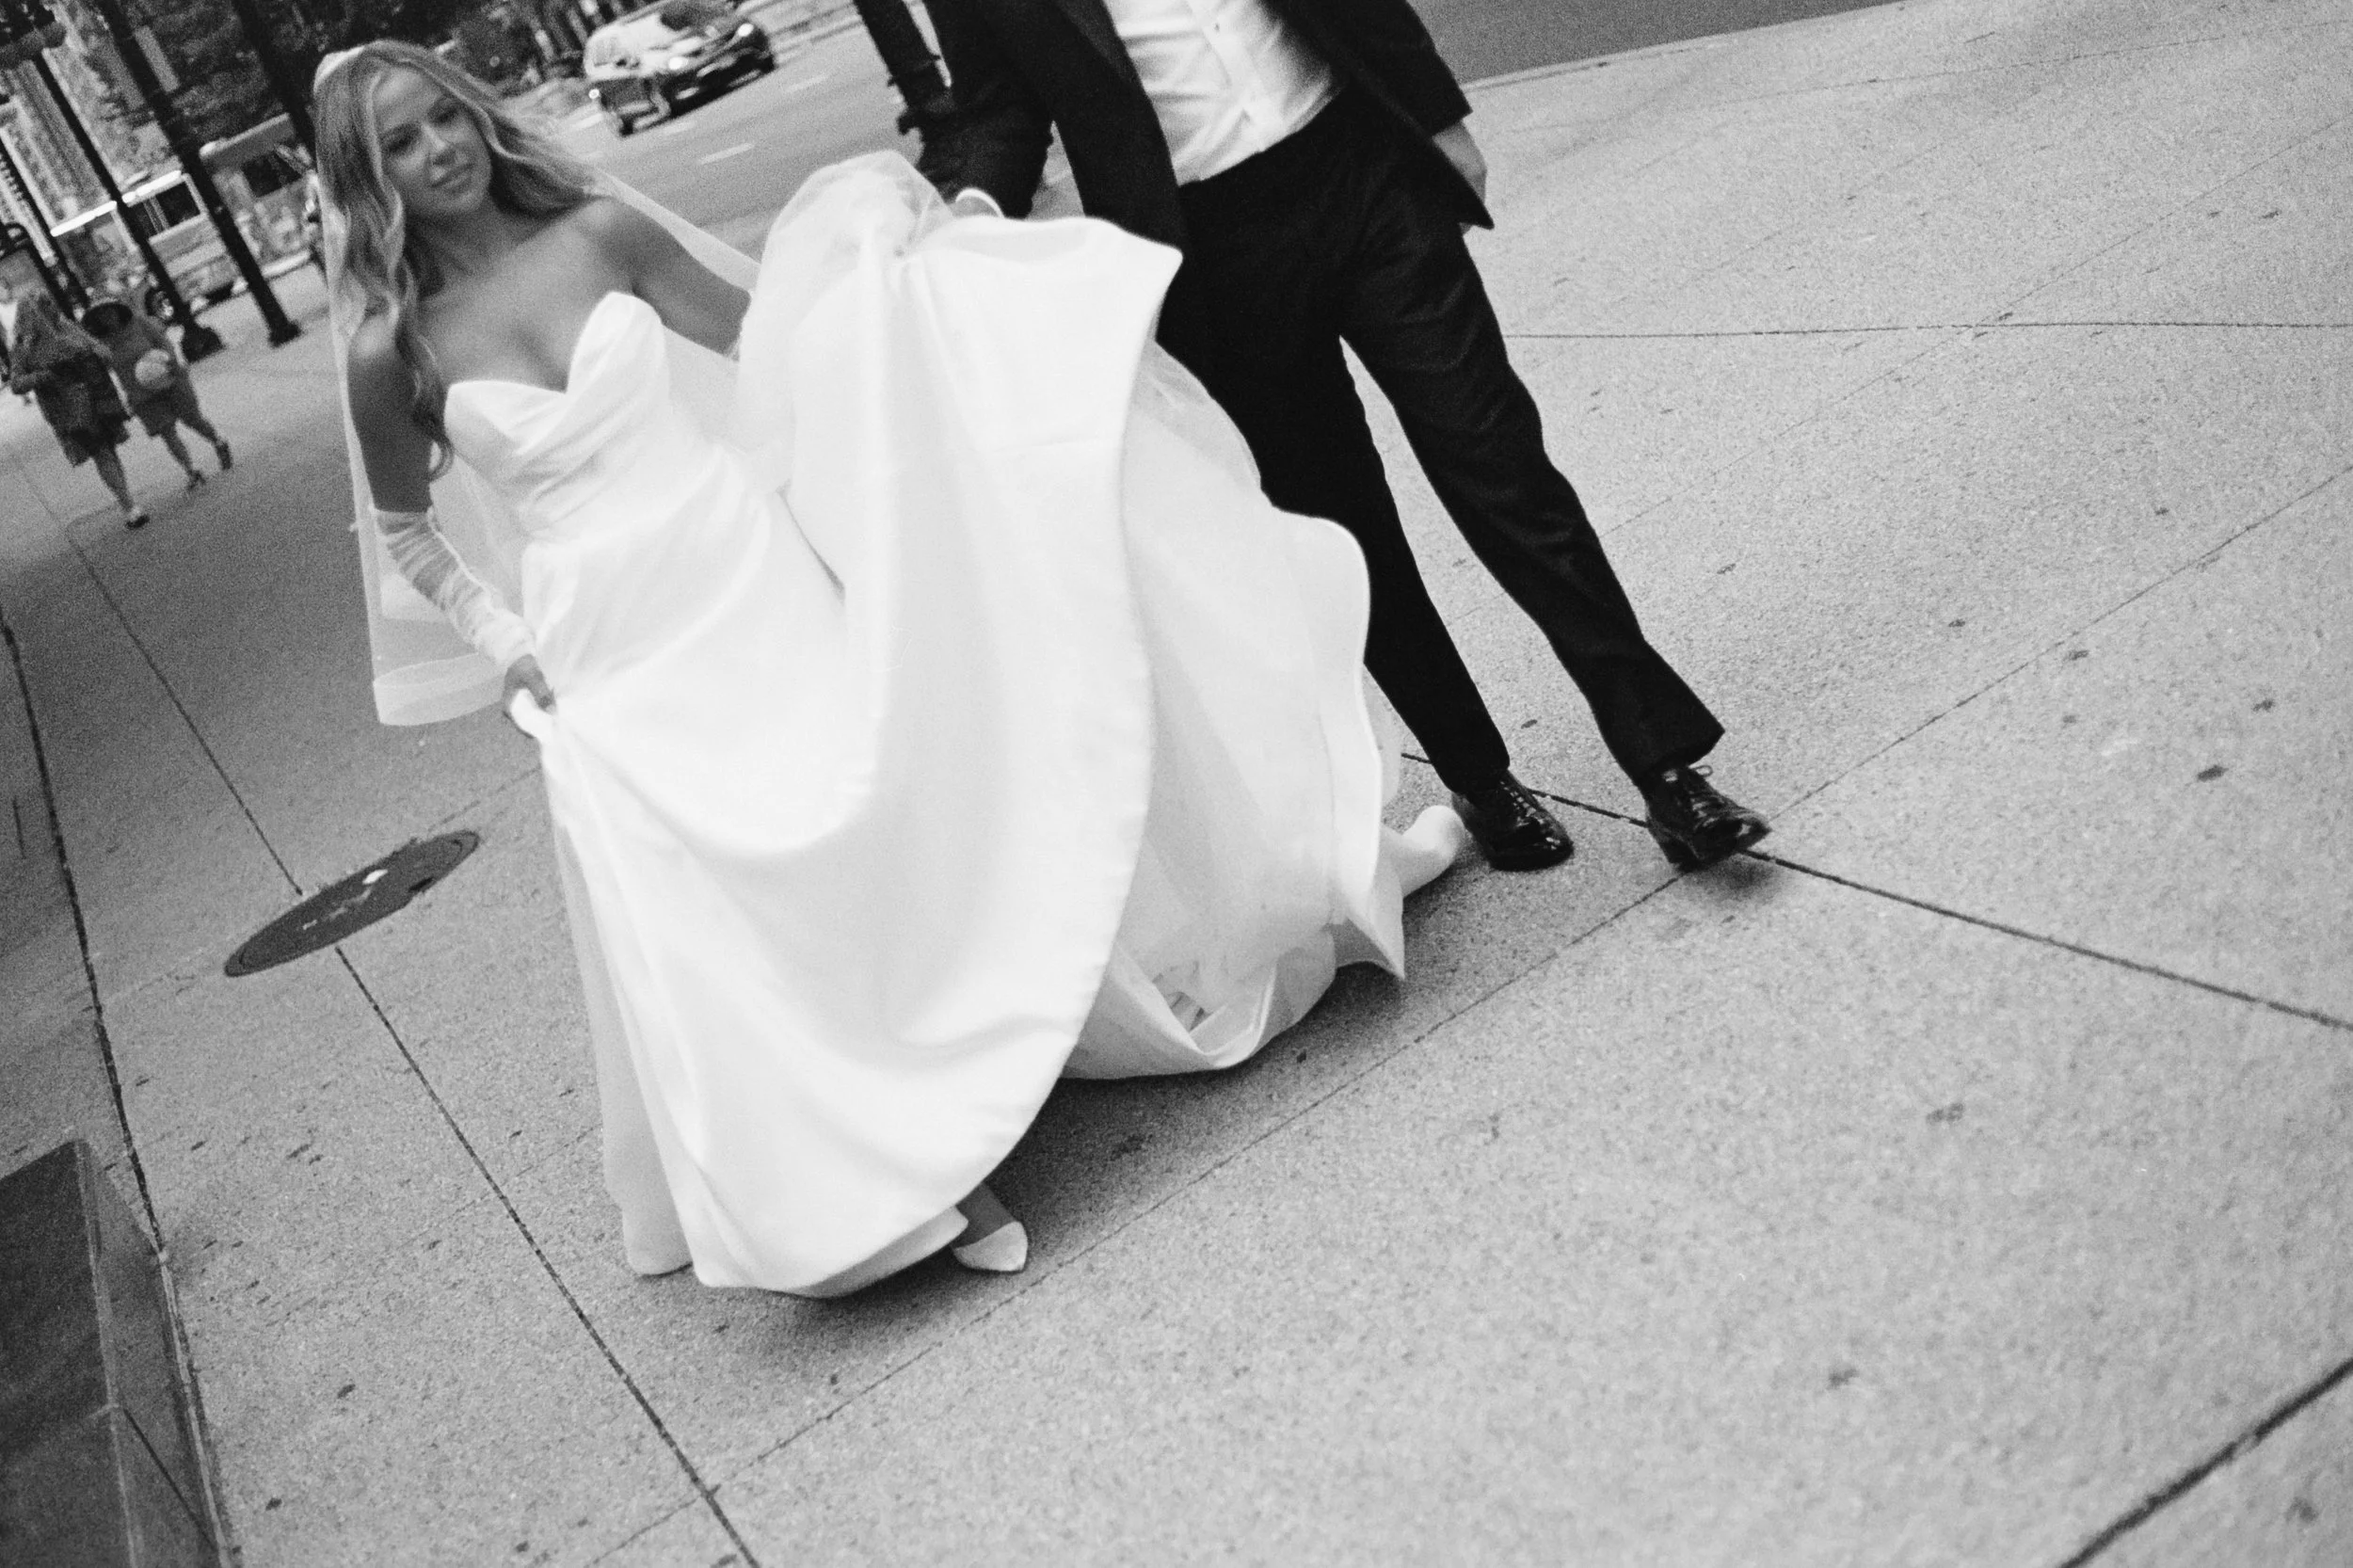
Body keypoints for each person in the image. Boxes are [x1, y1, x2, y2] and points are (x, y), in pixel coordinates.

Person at [315, 42, 1466, 1298]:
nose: (444, 148)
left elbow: (775, 346)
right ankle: (914, 1175)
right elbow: (408, 535)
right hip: (605, 642)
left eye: (447, 115)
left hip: (739, 570)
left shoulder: (601, 238)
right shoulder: (394, 353)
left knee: (862, 831)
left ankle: (968, 1067)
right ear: (368, 183)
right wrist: (506, 644)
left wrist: (893, 292)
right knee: (735, 906)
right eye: (405, 144)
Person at [916, 0, 1772, 872]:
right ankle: (1479, 778)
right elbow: (994, 108)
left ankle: (1667, 770)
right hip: (1210, 257)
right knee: (1345, 529)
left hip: (1362, 173)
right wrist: (973, 207)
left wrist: (1440, 118)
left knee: (1502, 467)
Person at [8, 292, 149, 529]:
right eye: (47, 305)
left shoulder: (68, 327)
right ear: (34, 313)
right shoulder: (25, 345)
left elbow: (99, 349)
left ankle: (127, 501)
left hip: (98, 397)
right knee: (101, 452)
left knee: (110, 450)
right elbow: (16, 384)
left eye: (51, 302)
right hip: (69, 410)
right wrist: (43, 376)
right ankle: (129, 506)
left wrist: (98, 353)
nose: (53, 307)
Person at [82, 296, 232, 491]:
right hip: (141, 395)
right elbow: (104, 372)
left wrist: (171, 361)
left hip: (169, 379)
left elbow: (163, 342)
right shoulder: (102, 343)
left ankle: (218, 442)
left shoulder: (139, 323)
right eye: (101, 316)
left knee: (192, 420)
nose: (107, 317)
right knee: (167, 432)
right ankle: (191, 470)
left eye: (109, 311)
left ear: (118, 310)